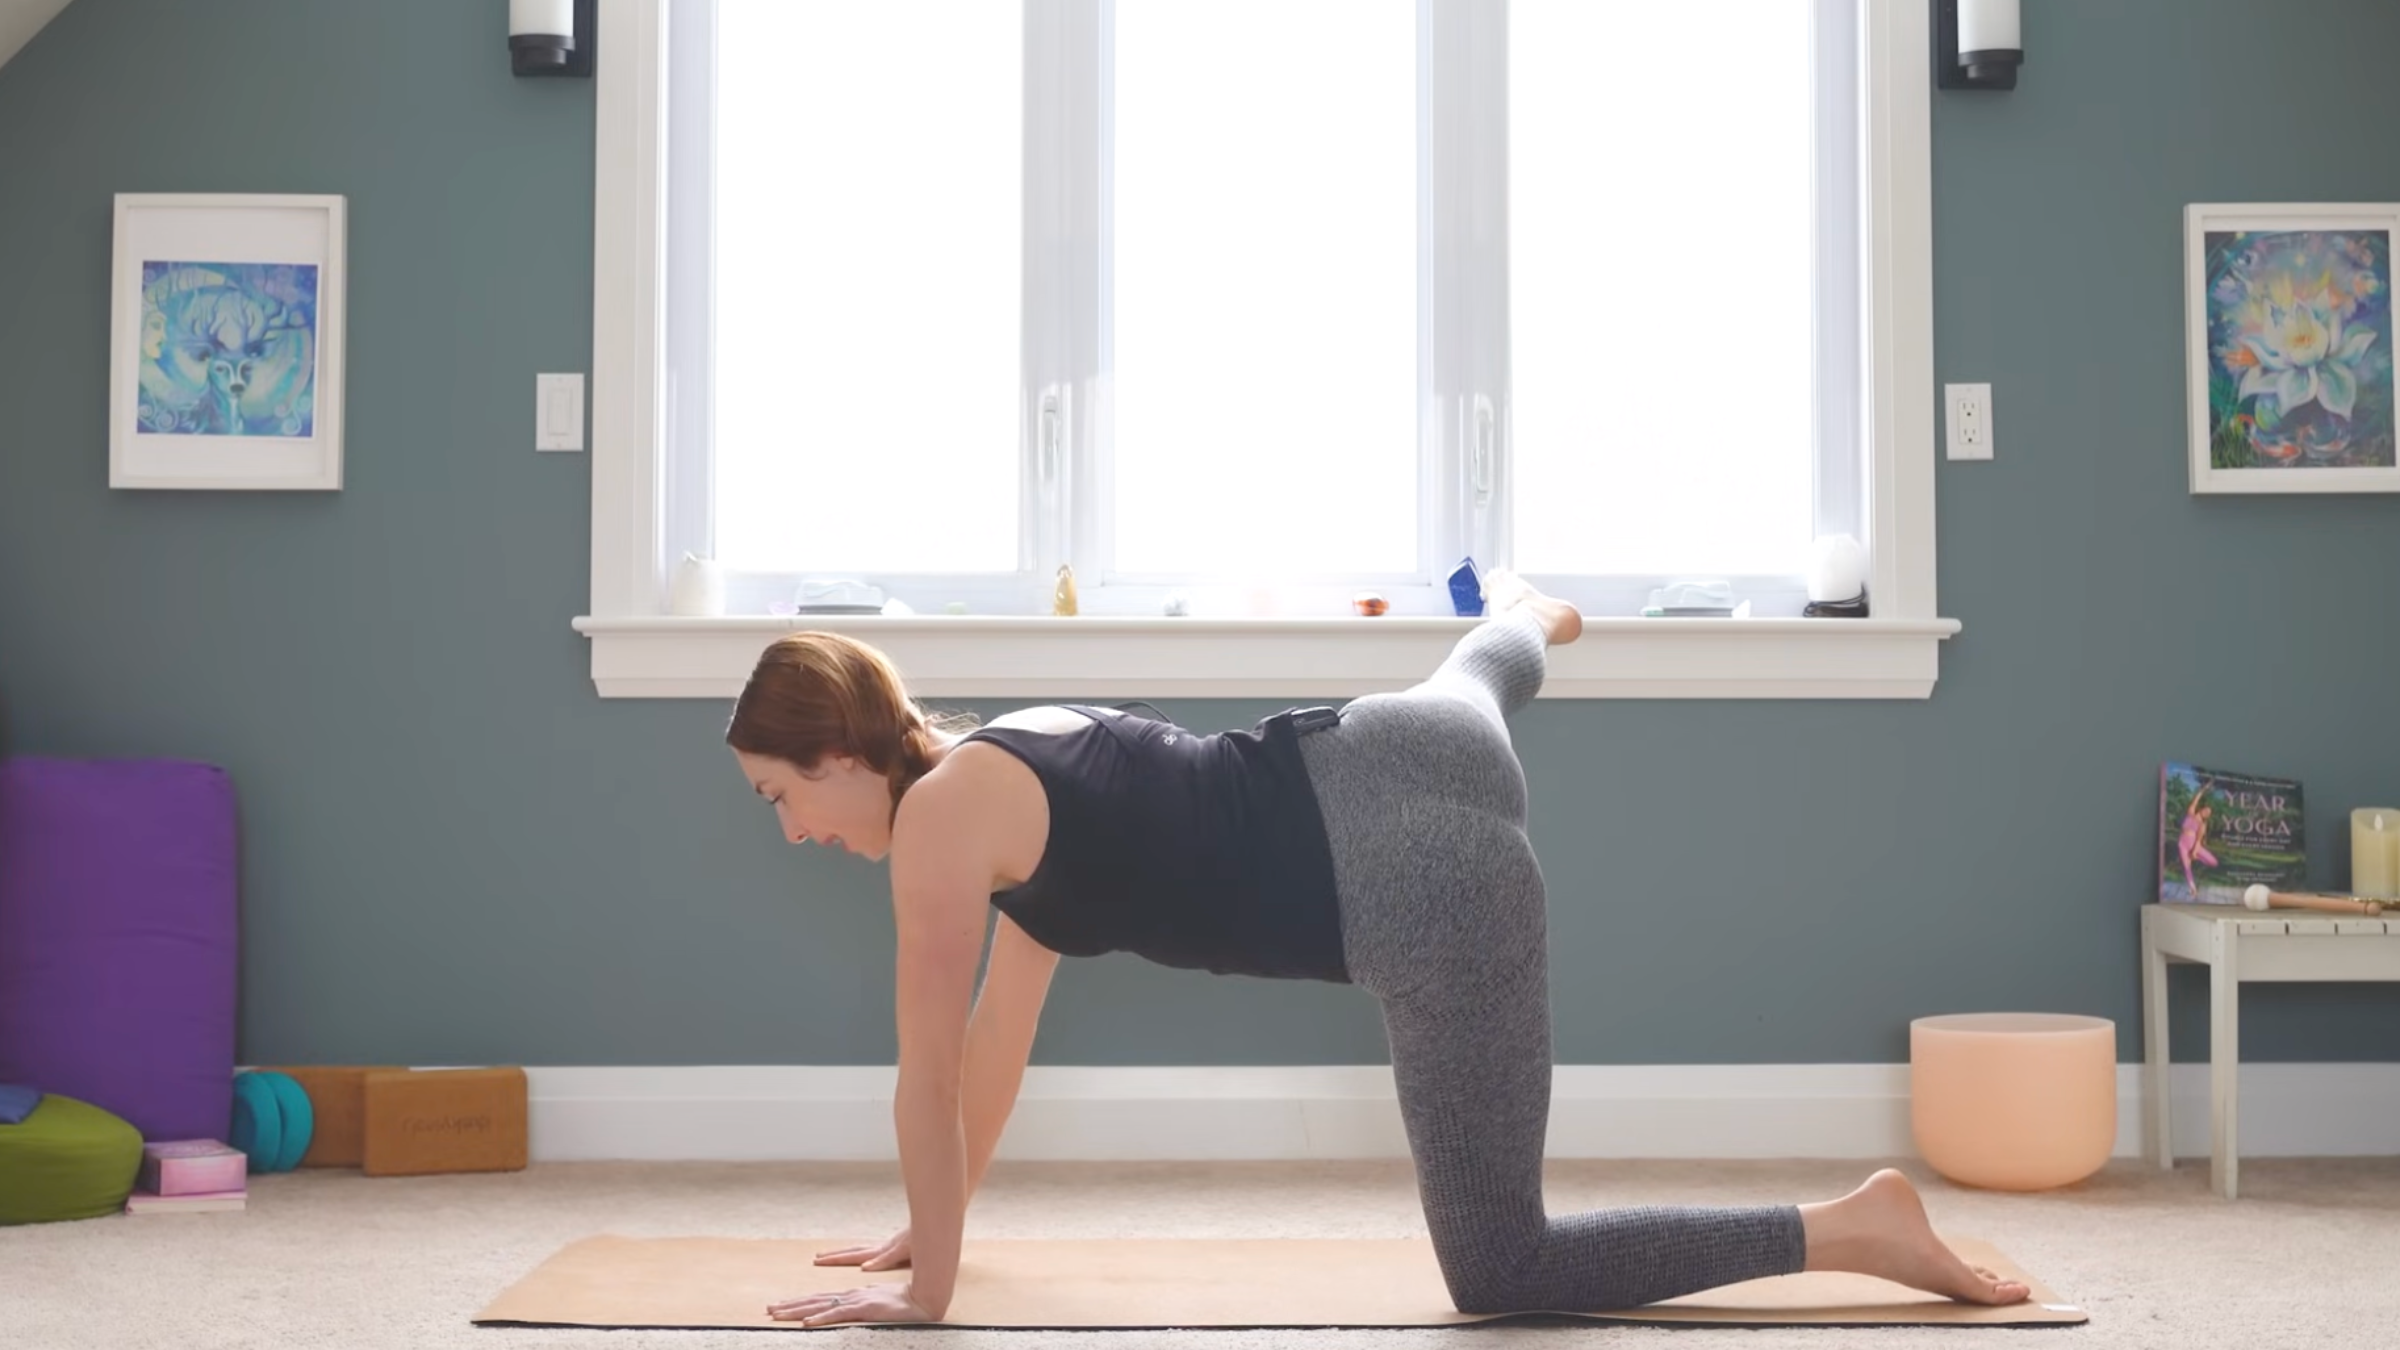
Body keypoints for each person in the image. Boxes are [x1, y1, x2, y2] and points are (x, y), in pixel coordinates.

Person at [723, 571, 2032, 1327]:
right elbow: (996, 1041)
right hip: (1394, 739)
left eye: (779, 796)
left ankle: (1852, 1228)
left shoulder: (939, 830)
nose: (786, 832)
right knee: (1482, 674)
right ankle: (1523, 614)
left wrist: (930, 1297)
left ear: (837, 754)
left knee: (1506, 1271)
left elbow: (924, 1067)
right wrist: (930, 1222)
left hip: (1428, 896)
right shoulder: (1003, 759)